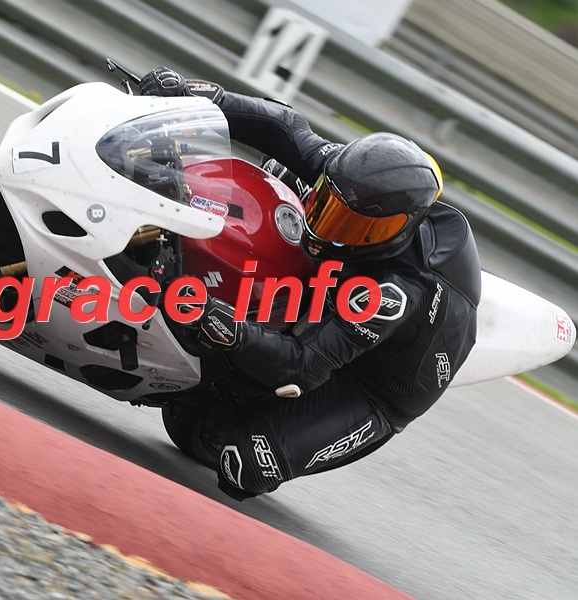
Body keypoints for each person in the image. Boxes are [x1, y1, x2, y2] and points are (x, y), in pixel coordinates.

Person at [139, 67, 482, 500]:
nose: (330, 228)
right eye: (330, 208)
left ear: (395, 229)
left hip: (370, 388)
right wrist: (200, 97)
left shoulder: (393, 293)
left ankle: (243, 400)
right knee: (280, 171)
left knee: (246, 466)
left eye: (355, 226)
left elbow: (304, 366)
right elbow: (284, 126)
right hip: (334, 285)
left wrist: (222, 324)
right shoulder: (352, 180)